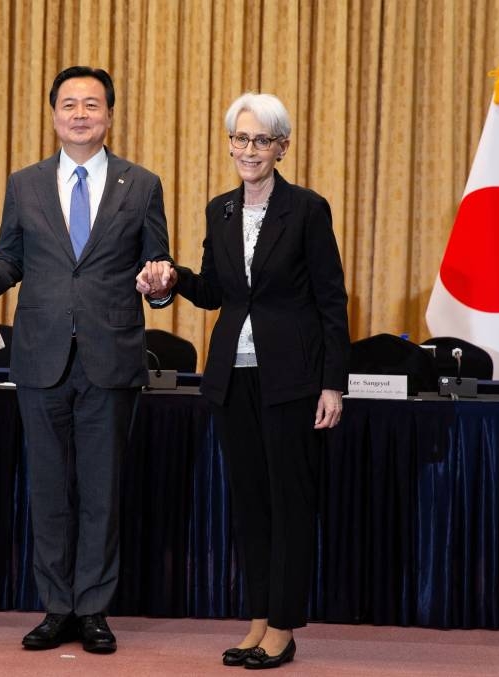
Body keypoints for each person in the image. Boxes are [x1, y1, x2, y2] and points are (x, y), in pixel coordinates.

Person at [0, 66, 174, 654]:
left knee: (102, 491)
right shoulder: (25, 184)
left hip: (112, 355)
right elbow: (8, 261)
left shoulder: (142, 183)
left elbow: (158, 264)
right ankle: (56, 608)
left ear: (109, 116)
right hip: (40, 357)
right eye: (69, 104)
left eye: (92, 105)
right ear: (54, 114)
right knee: (49, 490)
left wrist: (160, 281)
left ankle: (95, 610)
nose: (80, 114)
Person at [139, 92, 348, 669]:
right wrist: (172, 277)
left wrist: (334, 383)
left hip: (293, 381)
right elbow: (217, 292)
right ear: (229, 142)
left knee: (290, 504)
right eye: (240, 138)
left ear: (282, 147)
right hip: (233, 380)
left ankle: (283, 625)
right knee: (252, 504)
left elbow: (331, 298)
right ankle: (257, 618)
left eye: (261, 140)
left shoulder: (307, 209)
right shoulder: (220, 210)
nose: (248, 150)